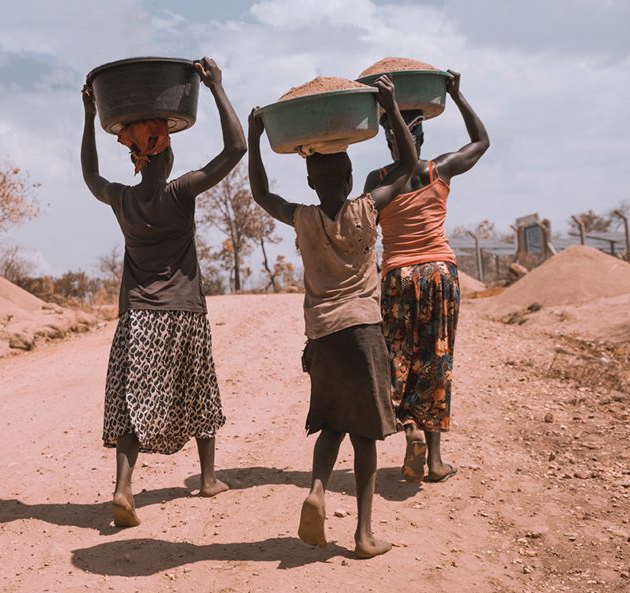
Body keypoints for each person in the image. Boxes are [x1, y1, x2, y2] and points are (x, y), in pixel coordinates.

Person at [247, 75, 416, 558]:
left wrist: (258, 140)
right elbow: (405, 165)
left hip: (322, 335)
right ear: (347, 177)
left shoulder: (301, 217)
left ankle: (318, 489)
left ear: (309, 181)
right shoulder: (368, 207)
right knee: (365, 434)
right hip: (364, 330)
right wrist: (389, 106)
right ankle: (363, 535)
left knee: (330, 424)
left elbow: (260, 194)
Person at [80, 56, 247, 527]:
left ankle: (122, 488)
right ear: (166, 157)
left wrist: (89, 117)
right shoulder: (180, 192)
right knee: (200, 394)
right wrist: (216, 87)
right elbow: (235, 149)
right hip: (184, 313)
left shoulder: (123, 198)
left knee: (136, 402)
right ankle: (209, 477)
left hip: (138, 317)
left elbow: (90, 176)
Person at [363, 70, 490, 484]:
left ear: (389, 137)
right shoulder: (441, 169)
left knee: (398, 360)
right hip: (440, 273)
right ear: (421, 137)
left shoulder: (377, 181)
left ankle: (410, 430)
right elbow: (482, 141)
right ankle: (435, 462)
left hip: (399, 275)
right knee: (437, 360)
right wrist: (456, 92)